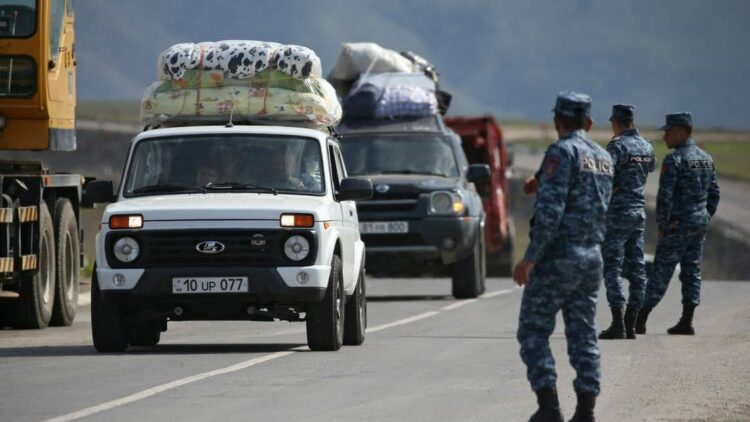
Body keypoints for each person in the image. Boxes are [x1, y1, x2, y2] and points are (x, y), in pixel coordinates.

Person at [514, 92, 613, 422]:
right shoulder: (602, 157)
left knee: (532, 330)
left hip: (560, 256)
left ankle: (549, 409)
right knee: (583, 334)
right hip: (591, 257)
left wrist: (529, 258)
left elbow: (552, 213)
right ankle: (586, 411)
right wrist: (540, 181)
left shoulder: (561, 151)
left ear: (558, 120)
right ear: (589, 122)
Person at [636, 112, 720, 336]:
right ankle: (687, 319)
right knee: (692, 269)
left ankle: (640, 318)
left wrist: (664, 226)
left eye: (669, 132)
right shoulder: (706, 158)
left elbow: (665, 197)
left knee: (661, 271)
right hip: (698, 223)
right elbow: (714, 194)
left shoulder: (675, 160)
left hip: (678, 224)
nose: (665, 136)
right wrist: (704, 215)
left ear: (682, 132)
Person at [598, 105, 656, 340]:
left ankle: (617, 322)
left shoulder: (617, 145)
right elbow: (650, 167)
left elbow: (604, 173)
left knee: (612, 266)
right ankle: (631, 322)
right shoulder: (647, 146)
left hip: (618, 213)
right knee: (637, 269)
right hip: (638, 212)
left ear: (616, 122)